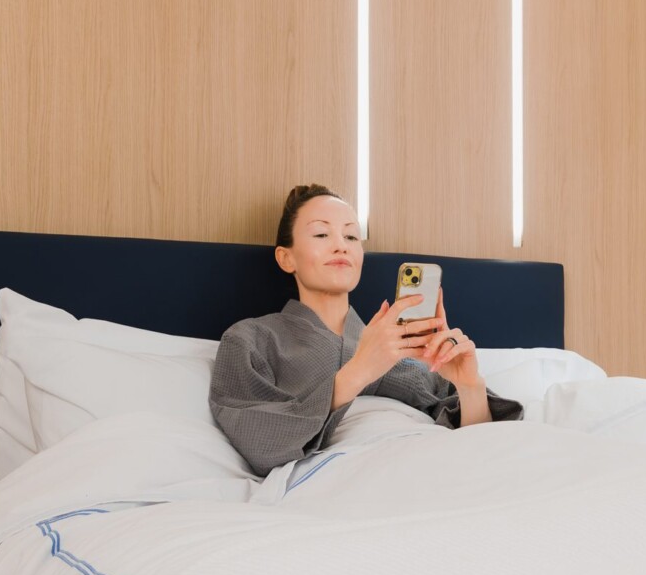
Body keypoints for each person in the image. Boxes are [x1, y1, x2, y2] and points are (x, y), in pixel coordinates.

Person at [208, 184, 523, 477]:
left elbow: (481, 447)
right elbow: (259, 442)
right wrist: (359, 370)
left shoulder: (408, 348)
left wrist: (469, 386)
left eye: (351, 237)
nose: (340, 247)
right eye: (321, 234)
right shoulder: (251, 340)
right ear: (286, 258)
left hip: (434, 463)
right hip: (340, 474)